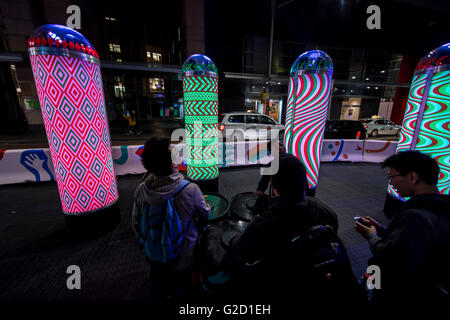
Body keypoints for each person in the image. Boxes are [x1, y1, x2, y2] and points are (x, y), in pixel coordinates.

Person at [226, 153, 342, 306]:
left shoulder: (264, 223)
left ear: (273, 188)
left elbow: (240, 250)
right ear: (304, 182)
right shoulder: (323, 210)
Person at [355, 150, 450, 306]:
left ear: (413, 177)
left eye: (392, 177)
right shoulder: (439, 208)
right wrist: (382, 230)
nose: (390, 183)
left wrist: (371, 236)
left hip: (399, 293)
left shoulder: (415, 216)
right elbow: (409, 244)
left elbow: (392, 259)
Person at [132, 137, 210, 301]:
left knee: (157, 288)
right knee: (184, 289)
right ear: (173, 163)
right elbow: (205, 214)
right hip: (184, 256)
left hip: (154, 255)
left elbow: (136, 224)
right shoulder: (191, 189)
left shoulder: (141, 190)